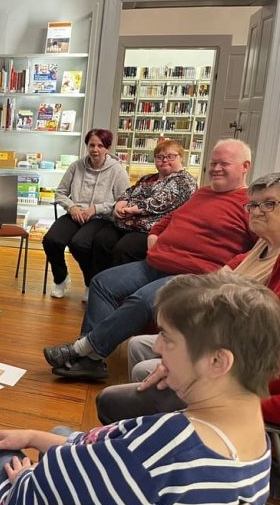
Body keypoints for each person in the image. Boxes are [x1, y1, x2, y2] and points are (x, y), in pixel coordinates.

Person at [0, 272, 280, 505]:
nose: (155, 347)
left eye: (167, 338)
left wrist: (25, 477)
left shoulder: (160, 447)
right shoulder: (256, 442)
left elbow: (40, 493)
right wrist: (35, 437)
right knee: (59, 435)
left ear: (217, 361)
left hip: (29, 503)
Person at [43, 139, 255, 381]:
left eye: (224, 164)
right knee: (102, 283)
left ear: (245, 166)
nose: (216, 168)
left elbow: (262, 248)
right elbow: (170, 218)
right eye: (213, 163)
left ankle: (82, 350)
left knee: (142, 301)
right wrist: (154, 235)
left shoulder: (250, 204)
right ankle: (92, 359)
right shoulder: (203, 193)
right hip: (157, 262)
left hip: (193, 273)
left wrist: (230, 267)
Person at [96, 171, 280, 425]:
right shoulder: (261, 245)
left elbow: (253, 338)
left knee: (119, 391)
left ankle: (161, 431)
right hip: (219, 341)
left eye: (269, 204)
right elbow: (215, 285)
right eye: (254, 205)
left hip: (236, 369)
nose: (257, 211)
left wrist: (193, 358)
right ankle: (149, 429)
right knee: (137, 340)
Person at [43, 128, 129, 300]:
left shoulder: (117, 170)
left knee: (79, 244)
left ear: (108, 148)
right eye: (91, 145)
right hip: (76, 213)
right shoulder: (76, 166)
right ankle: (61, 278)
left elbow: (124, 199)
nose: (95, 149)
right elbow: (60, 192)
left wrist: (96, 208)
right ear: (87, 146)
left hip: (100, 217)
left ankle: (91, 282)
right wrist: (72, 207)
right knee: (51, 240)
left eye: (100, 145)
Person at [91, 138, 197, 271]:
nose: (164, 160)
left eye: (170, 156)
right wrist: (120, 203)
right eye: (160, 157)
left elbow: (160, 202)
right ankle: (96, 283)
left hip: (150, 230)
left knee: (124, 249)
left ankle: (119, 289)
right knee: (101, 241)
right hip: (124, 223)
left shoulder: (185, 181)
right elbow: (130, 191)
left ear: (181, 158)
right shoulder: (148, 178)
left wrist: (133, 209)